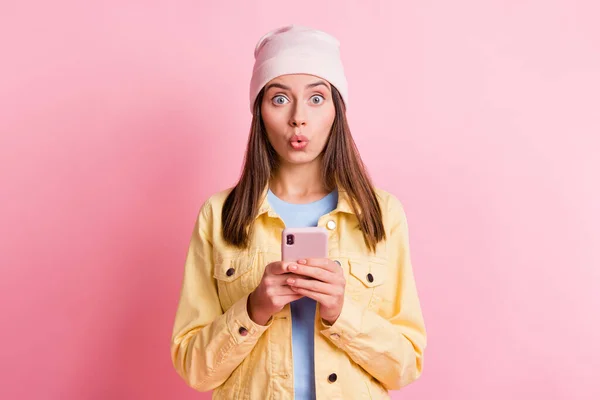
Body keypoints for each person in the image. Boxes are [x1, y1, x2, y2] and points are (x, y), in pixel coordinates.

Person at [170, 24, 427, 400]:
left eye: (317, 98)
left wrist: (341, 311)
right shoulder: (220, 214)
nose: (298, 118)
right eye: (278, 99)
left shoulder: (382, 213)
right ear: (259, 111)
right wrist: (253, 310)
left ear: (337, 111)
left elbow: (405, 365)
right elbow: (194, 369)